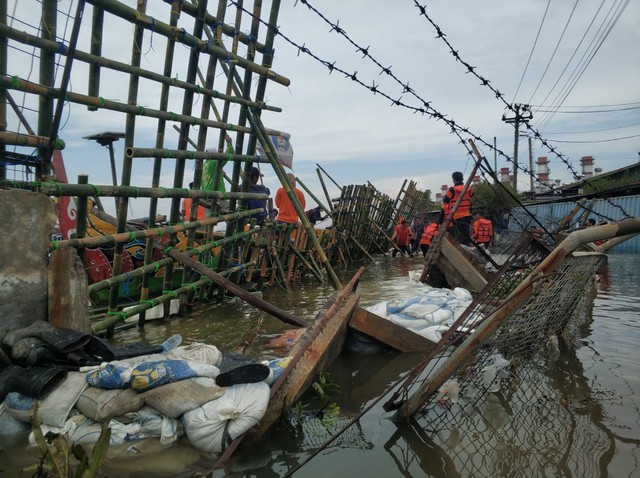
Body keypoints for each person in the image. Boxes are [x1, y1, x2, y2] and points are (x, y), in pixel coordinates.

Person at [440, 171, 473, 245]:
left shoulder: (452, 190)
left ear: (453, 179)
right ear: (462, 178)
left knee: (459, 235)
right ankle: (467, 245)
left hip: (457, 216)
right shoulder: (469, 188)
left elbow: (445, 201)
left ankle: (462, 248)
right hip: (467, 215)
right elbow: (472, 195)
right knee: (466, 233)